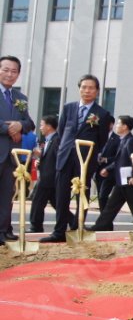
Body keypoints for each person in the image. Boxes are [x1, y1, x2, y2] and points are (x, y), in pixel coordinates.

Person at [41, 74, 113, 243]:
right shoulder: (68, 108)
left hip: (85, 161)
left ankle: (77, 227)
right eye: (84, 87)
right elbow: (61, 132)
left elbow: (102, 140)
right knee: (61, 196)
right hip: (64, 158)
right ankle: (59, 232)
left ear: (97, 91)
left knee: (82, 195)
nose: (87, 91)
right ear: (79, 89)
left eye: (91, 88)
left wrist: (89, 154)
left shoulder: (102, 114)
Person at [88, 116, 133, 231]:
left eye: (118, 124)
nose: (116, 126)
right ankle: (99, 226)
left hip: (129, 181)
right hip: (121, 180)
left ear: (125, 126)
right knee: (110, 207)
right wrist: (108, 169)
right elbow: (119, 160)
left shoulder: (131, 141)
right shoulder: (123, 140)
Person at [0, 56, 35, 244]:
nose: (9, 74)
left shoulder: (21, 98)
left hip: (12, 156)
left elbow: (30, 123)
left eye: (14, 71)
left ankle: (3, 231)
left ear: (18, 74)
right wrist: (9, 129)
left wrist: (20, 125)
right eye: (5, 69)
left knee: (7, 194)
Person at [29, 115, 59, 233]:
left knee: (37, 202)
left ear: (49, 126)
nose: (40, 128)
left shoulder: (57, 140)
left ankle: (35, 227)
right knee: (56, 203)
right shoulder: (49, 139)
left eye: (42, 125)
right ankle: (74, 222)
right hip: (46, 176)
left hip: (49, 178)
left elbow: (57, 160)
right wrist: (40, 161)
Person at [95, 124, 120, 212]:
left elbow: (119, 157)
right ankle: (104, 219)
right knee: (100, 196)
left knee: (103, 195)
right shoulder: (98, 137)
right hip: (98, 170)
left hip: (109, 172)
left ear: (111, 125)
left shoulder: (117, 139)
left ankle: (104, 219)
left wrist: (106, 160)